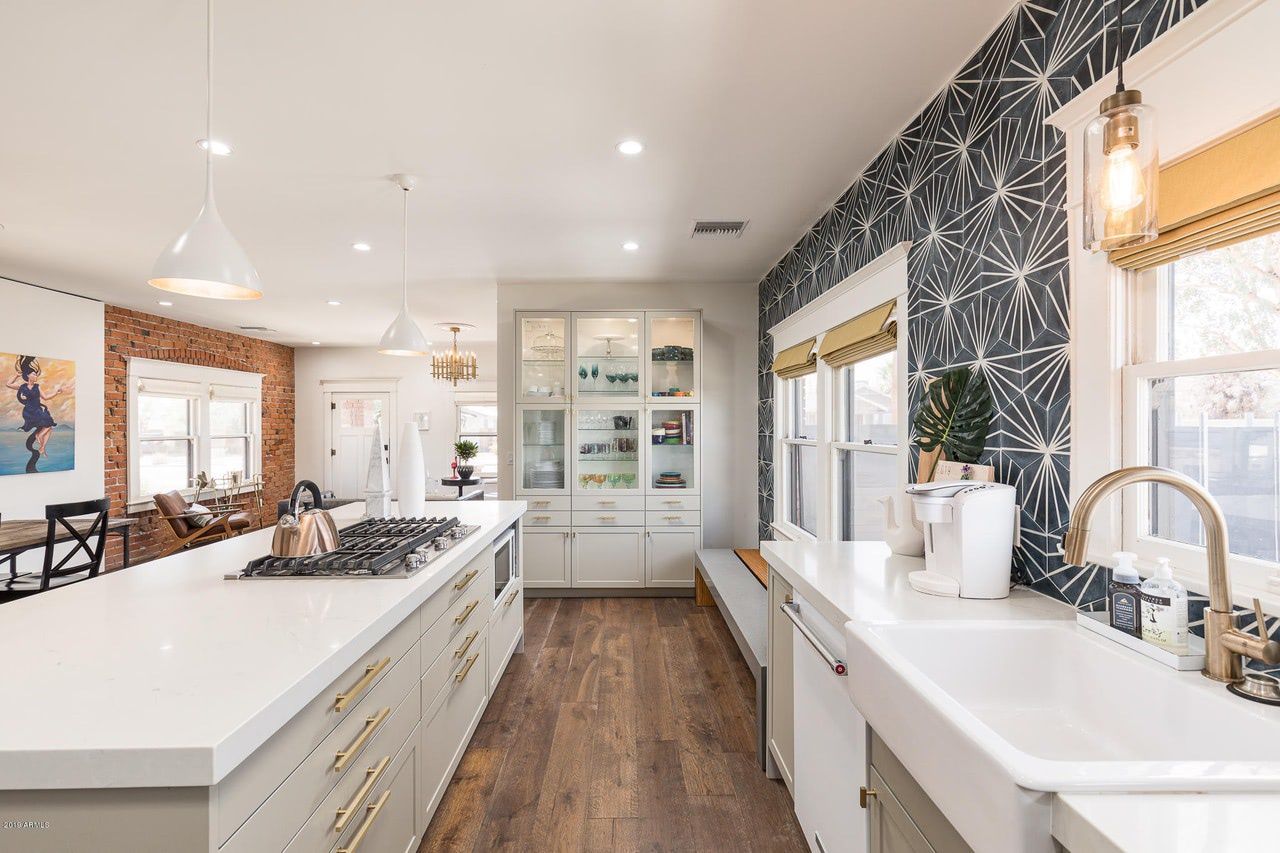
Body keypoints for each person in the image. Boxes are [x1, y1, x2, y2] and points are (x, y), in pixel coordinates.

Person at [7, 356, 71, 461]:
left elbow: (45, 397)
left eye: (36, 374)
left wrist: (56, 393)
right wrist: (16, 375)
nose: (35, 376)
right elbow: (8, 384)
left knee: (49, 427)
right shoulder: (22, 386)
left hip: (38, 410)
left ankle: (42, 447)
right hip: (29, 411)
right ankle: (39, 436)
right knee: (48, 425)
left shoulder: (37, 386)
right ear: (28, 375)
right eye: (33, 374)